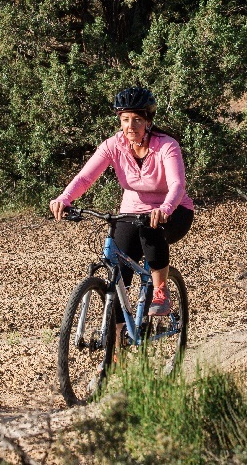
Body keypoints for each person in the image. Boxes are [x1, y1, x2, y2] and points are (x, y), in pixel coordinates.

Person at [50, 86, 195, 320]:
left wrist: (165, 209)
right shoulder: (113, 145)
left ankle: (160, 291)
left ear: (148, 121)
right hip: (131, 212)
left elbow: (177, 185)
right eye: (125, 119)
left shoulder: (166, 146)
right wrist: (64, 198)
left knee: (151, 230)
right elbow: (86, 177)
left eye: (137, 120)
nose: (130, 126)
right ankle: (115, 348)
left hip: (174, 211)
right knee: (118, 273)